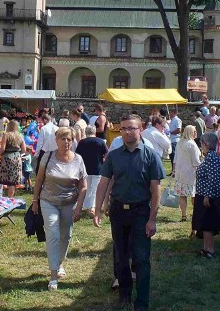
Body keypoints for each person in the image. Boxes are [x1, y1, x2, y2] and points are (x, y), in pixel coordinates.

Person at [94, 114, 165, 311]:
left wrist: (152, 219)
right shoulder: (114, 155)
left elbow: (155, 189)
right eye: (123, 128)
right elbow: (104, 183)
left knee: (141, 258)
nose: (126, 132)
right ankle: (124, 294)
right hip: (118, 212)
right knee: (121, 255)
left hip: (141, 212)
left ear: (140, 128)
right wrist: (99, 208)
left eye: (131, 128)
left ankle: (141, 302)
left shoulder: (151, 155)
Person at [32, 127, 88, 291]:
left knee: (66, 236)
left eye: (69, 139)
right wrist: (35, 200)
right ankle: (53, 275)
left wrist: (79, 206)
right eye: (62, 139)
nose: (66, 142)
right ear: (56, 141)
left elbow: (83, 186)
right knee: (53, 235)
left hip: (69, 203)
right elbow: (39, 179)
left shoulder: (78, 159)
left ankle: (60, 262)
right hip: (48, 201)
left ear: (73, 141)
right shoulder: (48, 157)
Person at [192, 132, 220, 259]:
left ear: (206, 144)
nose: (201, 146)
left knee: (208, 224)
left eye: (202, 144)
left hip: (209, 196)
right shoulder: (209, 156)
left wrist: (207, 196)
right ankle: (205, 248)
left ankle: (210, 250)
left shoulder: (211, 157)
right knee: (204, 224)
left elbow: (213, 178)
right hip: (203, 194)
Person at [75, 125, 108, 218]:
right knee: (94, 189)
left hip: (85, 169)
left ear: (85, 132)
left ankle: (84, 205)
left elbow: (77, 156)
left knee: (85, 187)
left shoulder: (82, 142)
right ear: (95, 131)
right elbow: (106, 155)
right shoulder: (100, 141)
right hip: (98, 168)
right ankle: (91, 207)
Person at [173, 125, 202, 222]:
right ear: (190, 132)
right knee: (194, 194)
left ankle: (184, 215)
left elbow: (175, 158)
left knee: (182, 195)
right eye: (194, 132)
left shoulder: (180, 143)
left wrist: (174, 169)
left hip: (180, 172)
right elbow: (195, 161)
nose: (196, 133)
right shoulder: (192, 144)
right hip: (191, 173)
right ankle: (196, 214)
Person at [0, 120, 25, 197]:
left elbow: (2, 148)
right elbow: (24, 150)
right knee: (12, 181)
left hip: (7, 158)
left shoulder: (6, 135)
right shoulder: (20, 136)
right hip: (17, 158)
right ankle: (10, 199)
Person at [168, 108, 182, 175]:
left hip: (175, 140)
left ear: (173, 113)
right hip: (171, 139)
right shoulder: (172, 120)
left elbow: (179, 130)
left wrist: (171, 132)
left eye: (170, 112)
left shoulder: (177, 120)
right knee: (172, 155)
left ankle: (175, 170)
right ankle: (173, 170)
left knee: (174, 155)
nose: (169, 114)